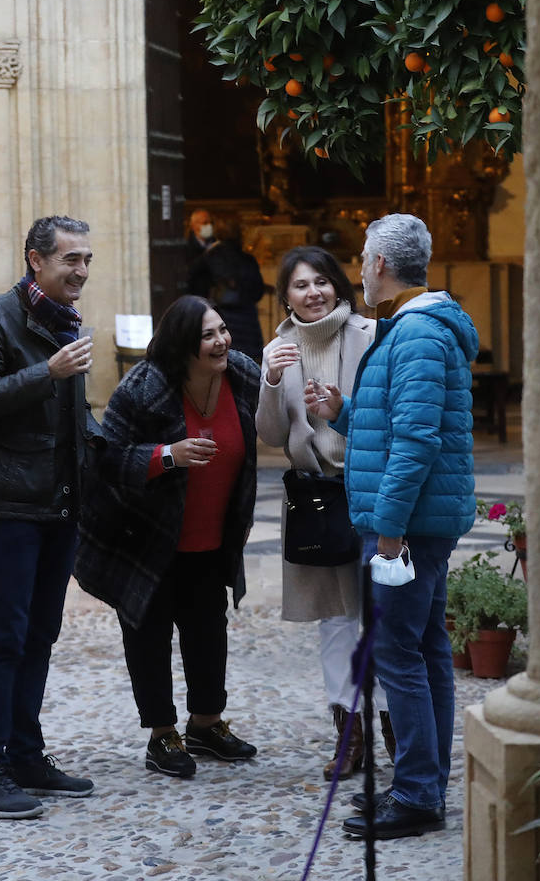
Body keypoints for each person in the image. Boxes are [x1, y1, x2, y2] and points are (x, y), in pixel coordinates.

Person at [306, 213, 478, 840]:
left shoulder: (417, 334)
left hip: (410, 525)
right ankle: (423, 784)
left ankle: (414, 793)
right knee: (425, 647)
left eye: (361, 257)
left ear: (380, 264)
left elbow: (416, 442)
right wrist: (343, 414)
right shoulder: (412, 329)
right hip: (419, 519)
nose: (356, 267)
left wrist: (388, 529)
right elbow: (394, 426)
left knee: (398, 653)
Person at [74, 295, 261, 779]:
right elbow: (108, 458)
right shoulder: (145, 386)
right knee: (148, 634)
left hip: (211, 534)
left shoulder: (239, 373)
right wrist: (167, 455)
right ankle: (162, 734)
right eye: (208, 335)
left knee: (208, 629)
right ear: (182, 344)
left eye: (222, 329)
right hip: (147, 535)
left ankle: (206, 723)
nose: (221, 341)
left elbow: (273, 418)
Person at [0, 215, 102, 819]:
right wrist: (48, 371)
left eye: (87, 259)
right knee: (6, 636)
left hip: (57, 503)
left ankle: (25, 755)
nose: (82, 271)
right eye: (71, 259)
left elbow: (70, 420)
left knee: (40, 635)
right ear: (35, 260)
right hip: (8, 503)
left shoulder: (63, 321)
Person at [255, 247, 377, 781]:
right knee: (334, 620)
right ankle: (349, 732)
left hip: (370, 490)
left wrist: (339, 410)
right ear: (285, 296)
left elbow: (385, 417)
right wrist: (271, 382)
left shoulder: (369, 335)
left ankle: (395, 728)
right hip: (316, 497)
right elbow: (271, 435)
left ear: (339, 286)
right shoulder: (279, 348)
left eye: (322, 282)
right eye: (301, 286)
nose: (313, 293)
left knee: (383, 616)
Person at [187, 219, 267, 363]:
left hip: (223, 317)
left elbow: (191, 279)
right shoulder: (248, 259)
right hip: (249, 320)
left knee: (227, 361)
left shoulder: (210, 256)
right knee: (251, 363)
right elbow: (259, 291)